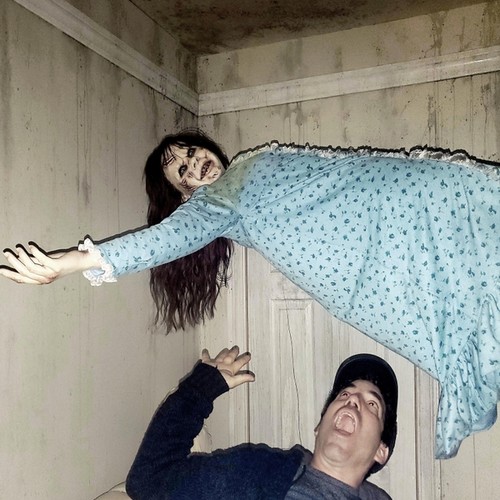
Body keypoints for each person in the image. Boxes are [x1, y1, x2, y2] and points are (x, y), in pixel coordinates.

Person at [0, 129, 498, 458]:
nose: (194, 166)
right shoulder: (215, 202)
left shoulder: (246, 165)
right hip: (379, 256)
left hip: (420, 198)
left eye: (190, 153)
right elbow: (160, 241)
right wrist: (72, 262)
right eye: (182, 174)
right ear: (186, 195)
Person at [125, 345, 398, 500]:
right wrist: (199, 391)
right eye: (344, 394)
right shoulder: (255, 471)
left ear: (381, 450)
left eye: (371, 404)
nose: (353, 400)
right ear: (319, 427)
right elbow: (149, 481)